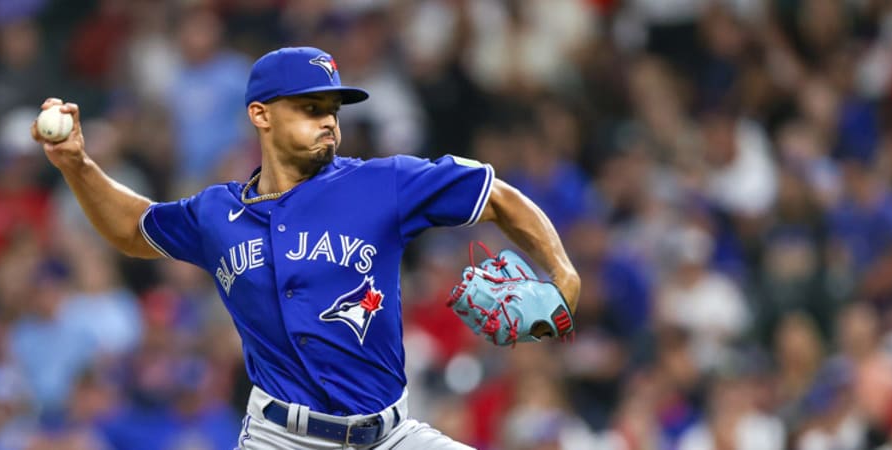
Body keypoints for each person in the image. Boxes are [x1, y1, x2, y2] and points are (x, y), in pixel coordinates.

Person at [32, 46, 581, 449]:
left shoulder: (381, 182)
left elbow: (499, 197)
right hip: (281, 439)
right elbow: (134, 228)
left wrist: (562, 272)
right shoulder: (217, 213)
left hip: (390, 436)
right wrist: (78, 165)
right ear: (261, 115)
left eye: (333, 111)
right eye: (311, 108)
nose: (329, 124)